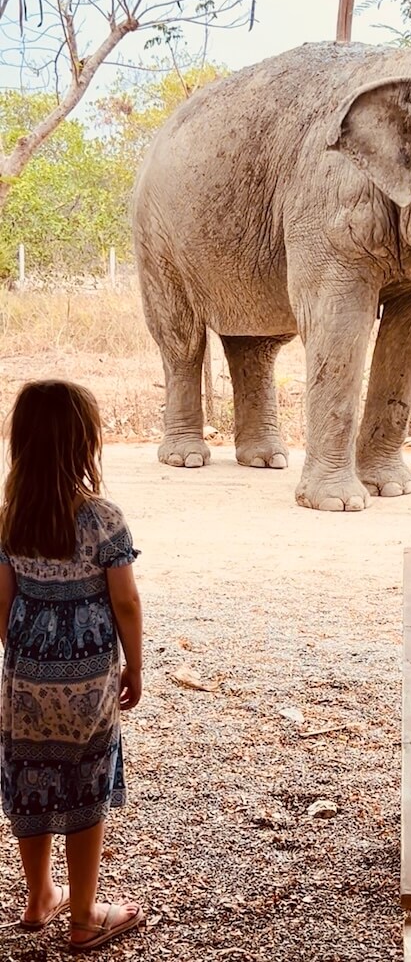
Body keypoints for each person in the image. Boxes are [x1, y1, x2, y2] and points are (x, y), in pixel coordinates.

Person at [0, 380, 145, 952]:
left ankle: (38, 897)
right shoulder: (103, 519)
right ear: (84, 444)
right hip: (87, 681)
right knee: (85, 780)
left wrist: (22, 659)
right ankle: (84, 914)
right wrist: (135, 664)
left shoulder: (8, 519)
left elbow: (2, 601)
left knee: (31, 778)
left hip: (25, 677)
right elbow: (126, 601)